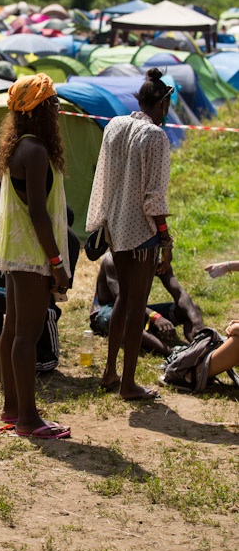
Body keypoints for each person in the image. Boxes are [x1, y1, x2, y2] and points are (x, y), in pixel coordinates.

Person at [0, 73, 71, 439]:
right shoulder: (34, 151)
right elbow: (38, 212)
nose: (58, 107)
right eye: (53, 102)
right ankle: (29, 420)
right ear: (38, 109)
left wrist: (10, 207)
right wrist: (56, 263)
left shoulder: (17, 145)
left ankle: (13, 407)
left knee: (14, 328)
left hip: (16, 249)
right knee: (27, 335)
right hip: (32, 252)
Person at [86, 67, 174, 400]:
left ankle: (110, 372)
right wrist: (165, 239)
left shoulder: (115, 125)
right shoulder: (156, 136)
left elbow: (103, 178)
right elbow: (155, 196)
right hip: (142, 233)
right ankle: (127, 384)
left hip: (115, 228)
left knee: (125, 298)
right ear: (163, 102)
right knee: (136, 306)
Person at [0, 206, 80, 369]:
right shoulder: (69, 238)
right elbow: (60, 287)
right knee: (46, 310)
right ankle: (40, 360)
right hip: (26, 294)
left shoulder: (8, 227)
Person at [90, 252, 204, 357]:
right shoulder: (113, 259)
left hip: (138, 310)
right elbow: (123, 299)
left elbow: (179, 293)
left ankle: (200, 345)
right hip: (108, 311)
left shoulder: (155, 259)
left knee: (190, 308)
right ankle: (174, 353)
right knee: (126, 318)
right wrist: (154, 316)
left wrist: (197, 323)